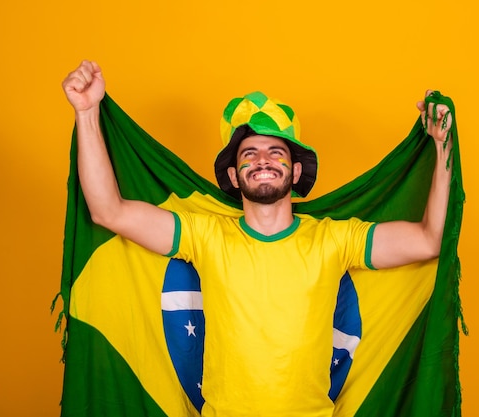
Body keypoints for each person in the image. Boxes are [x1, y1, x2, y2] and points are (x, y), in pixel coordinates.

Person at [62, 60, 453, 417]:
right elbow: (108, 211)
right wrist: (87, 111)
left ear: (295, 172)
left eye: (275, 152)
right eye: (247, 154)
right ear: (233, 177)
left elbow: (429, 240)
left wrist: (441, 143)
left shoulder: (336, 239)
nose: (262, 160)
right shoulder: (205, 235)